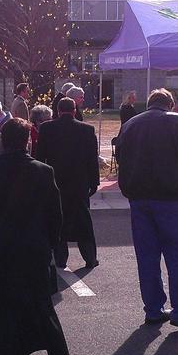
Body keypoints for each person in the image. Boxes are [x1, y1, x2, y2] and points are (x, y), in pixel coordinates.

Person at [0, 118, 71, 355]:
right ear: (27, 140)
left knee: (4, 308)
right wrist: (50, 244)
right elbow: (55, 214)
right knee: (32, 304)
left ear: (3, 140)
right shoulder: (43, 171)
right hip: (33, 249)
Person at [116, 89, 178, 332]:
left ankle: (153, 309)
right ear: (169, 104)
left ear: (149, 104)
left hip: (140, 199)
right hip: (174, 198)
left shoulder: (130, 125)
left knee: (147, 257)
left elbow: (121, 158)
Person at [36, 97, 100, 269]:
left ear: (57, 111)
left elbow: (40, 156)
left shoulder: (47, 128)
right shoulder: (87, 130)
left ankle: (60, 259)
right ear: (74, 110)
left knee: (58, 220)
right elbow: (92, 160)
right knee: (83, 222)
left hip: (55, 181)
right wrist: (94, 182)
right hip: (79, 183)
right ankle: (90, 257)